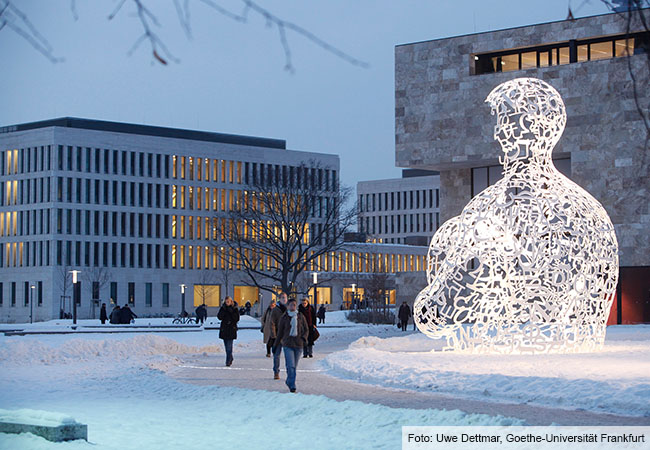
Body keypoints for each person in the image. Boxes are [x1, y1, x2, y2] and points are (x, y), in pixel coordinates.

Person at [274, 298, 309, 393]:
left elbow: (306, 329)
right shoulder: (284, 317)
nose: (292, 307)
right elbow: (280, 332)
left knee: (294, 366)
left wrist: (303, 338)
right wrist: (276, 345)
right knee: (291, 366)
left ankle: (289, 380)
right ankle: (292, 385)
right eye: (290, 305)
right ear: (287, 306)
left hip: (298, 344)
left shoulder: (300, 316)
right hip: (287, 344)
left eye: (294, 305)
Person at [270, 292, 288, 379]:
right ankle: (276, 372)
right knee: (277, 355)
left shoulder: (289, 308)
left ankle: (290, 372)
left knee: (289, 355)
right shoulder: (275, 310)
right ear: (279, 299)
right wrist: (274, 335)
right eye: (282, 298)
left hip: (287, 336)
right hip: (278, 336)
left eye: (285, 298)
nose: (284, 299)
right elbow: (272, 322)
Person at [217, 296, 240, 367]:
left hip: (231, 329)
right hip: (224, 329)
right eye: (226, 302)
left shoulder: (234, 309)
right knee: (226, 345)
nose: (227, 303)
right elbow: (219, 317)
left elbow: (237, 318)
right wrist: (223, 311)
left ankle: (228, 360)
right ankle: (230, 357)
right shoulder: (223, 308)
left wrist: (232, 312)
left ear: (231, 301)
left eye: (228, 302)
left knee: (229, 346)